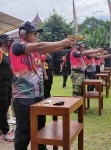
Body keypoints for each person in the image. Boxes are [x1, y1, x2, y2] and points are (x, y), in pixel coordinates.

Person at [9, 21, 75, 150]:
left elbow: (52, 48)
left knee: (40, 129)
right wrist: (62, 42)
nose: (36, 36)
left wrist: (66, 45)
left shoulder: (36, 49)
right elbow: (40, 46)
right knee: (24, 132)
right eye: (34, 33)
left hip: (39, 96)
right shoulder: (16, 45)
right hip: (23, 97)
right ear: (23, 34)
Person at [0, 34, 14, 142]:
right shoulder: (0, 53)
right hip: (1, 83)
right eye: (9, 41)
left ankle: (1, 128)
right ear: (4, 43)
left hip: (8, 82)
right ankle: (5, 132)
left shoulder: (8, 54)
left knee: (7, 104)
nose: (11, 43)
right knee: (3, 107)